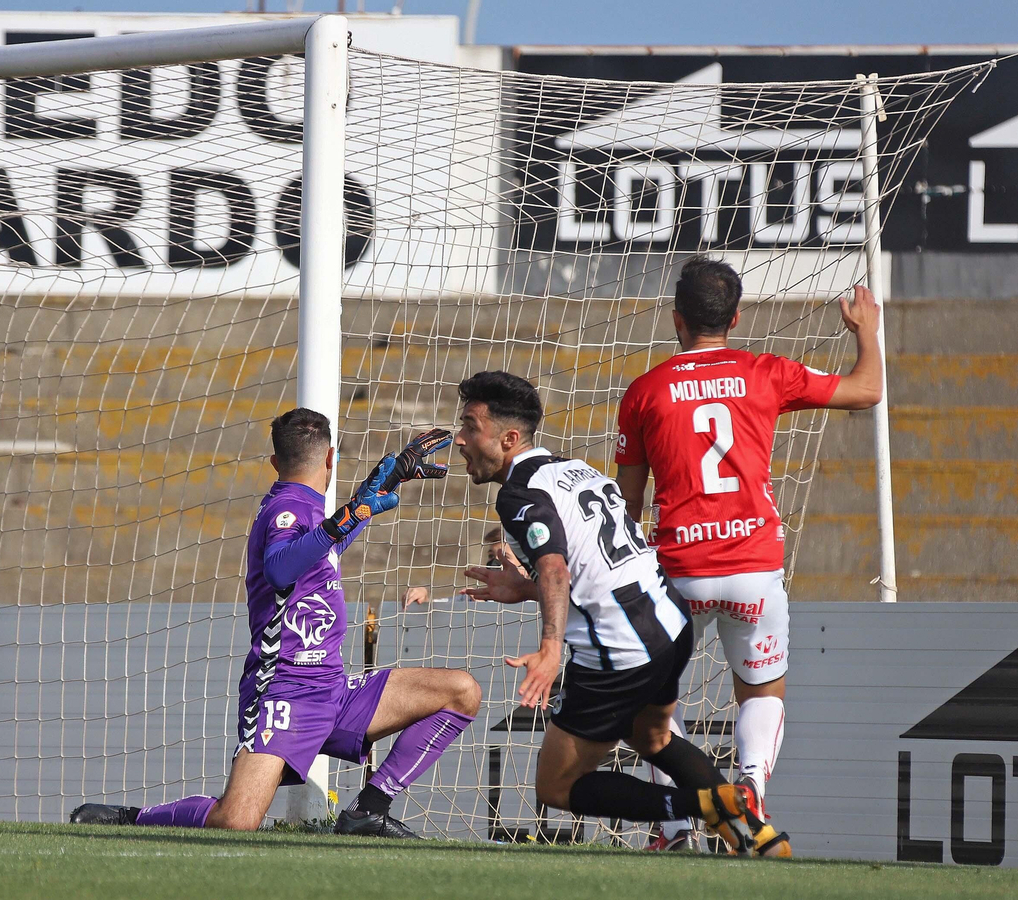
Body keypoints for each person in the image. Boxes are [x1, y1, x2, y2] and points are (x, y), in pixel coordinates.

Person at [71, 411, 479, 837]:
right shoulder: (286, 507)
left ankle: (369, 809)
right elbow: (281, 568)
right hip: (285, 692)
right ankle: (130, 818)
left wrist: (386, 481)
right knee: (238, 820)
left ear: (274, 460)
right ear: (331, 458)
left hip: (333, 691)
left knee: (460, 692)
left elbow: (325, 547)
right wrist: (354, 511)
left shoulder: (311, 509)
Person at [455, 370, 789, 857]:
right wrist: (526, 589)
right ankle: (756, 835)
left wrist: (550, 648)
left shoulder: (518, 493)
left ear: (508, 438)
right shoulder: (574, 469)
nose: (460, 440)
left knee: (558, 787)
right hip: (671, 626)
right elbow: (586, 567)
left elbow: (553, 565)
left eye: (470, 426)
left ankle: (707, 807)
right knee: (652, 737)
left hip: (621, 649)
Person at [614, 257, 882, 846]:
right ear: (735, 317)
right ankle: (751, 784)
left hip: (676, 570)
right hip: (752, 566)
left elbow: (628, 508)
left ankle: (676, 821)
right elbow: (867, 390)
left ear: (676, 319)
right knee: (760, 691)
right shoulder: (765, 372)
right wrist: (865, 329)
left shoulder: (644, 391)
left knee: (653, 703)